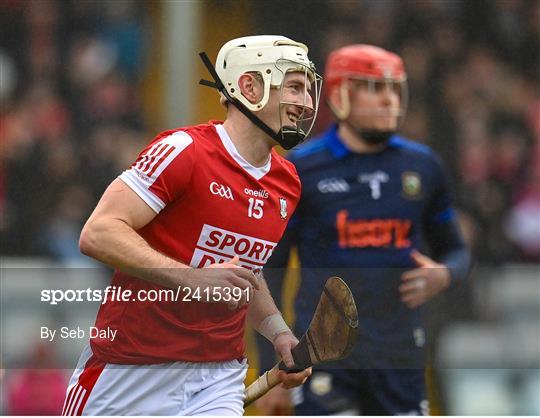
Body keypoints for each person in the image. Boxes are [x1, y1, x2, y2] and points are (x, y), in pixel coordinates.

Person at [62, 35, 322, 416]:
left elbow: (245, 273)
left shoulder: (288, 183)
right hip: (130, 370)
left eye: (309, 90)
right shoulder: (184, 150)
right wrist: (193, 279)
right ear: (249, 86)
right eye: (295, 87)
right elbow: (98, 232)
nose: (308, 103)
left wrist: (279, 332)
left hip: (219, 375)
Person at [256, 44, 471, 415]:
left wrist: (445, 274)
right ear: (340, 95)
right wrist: (272, 367)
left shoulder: (423, 166)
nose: (390, 101)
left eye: (394, 89)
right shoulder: (301, 170)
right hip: (324, 355)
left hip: (400, 355)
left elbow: (456, 250)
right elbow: (267, 272)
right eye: (375, 89)